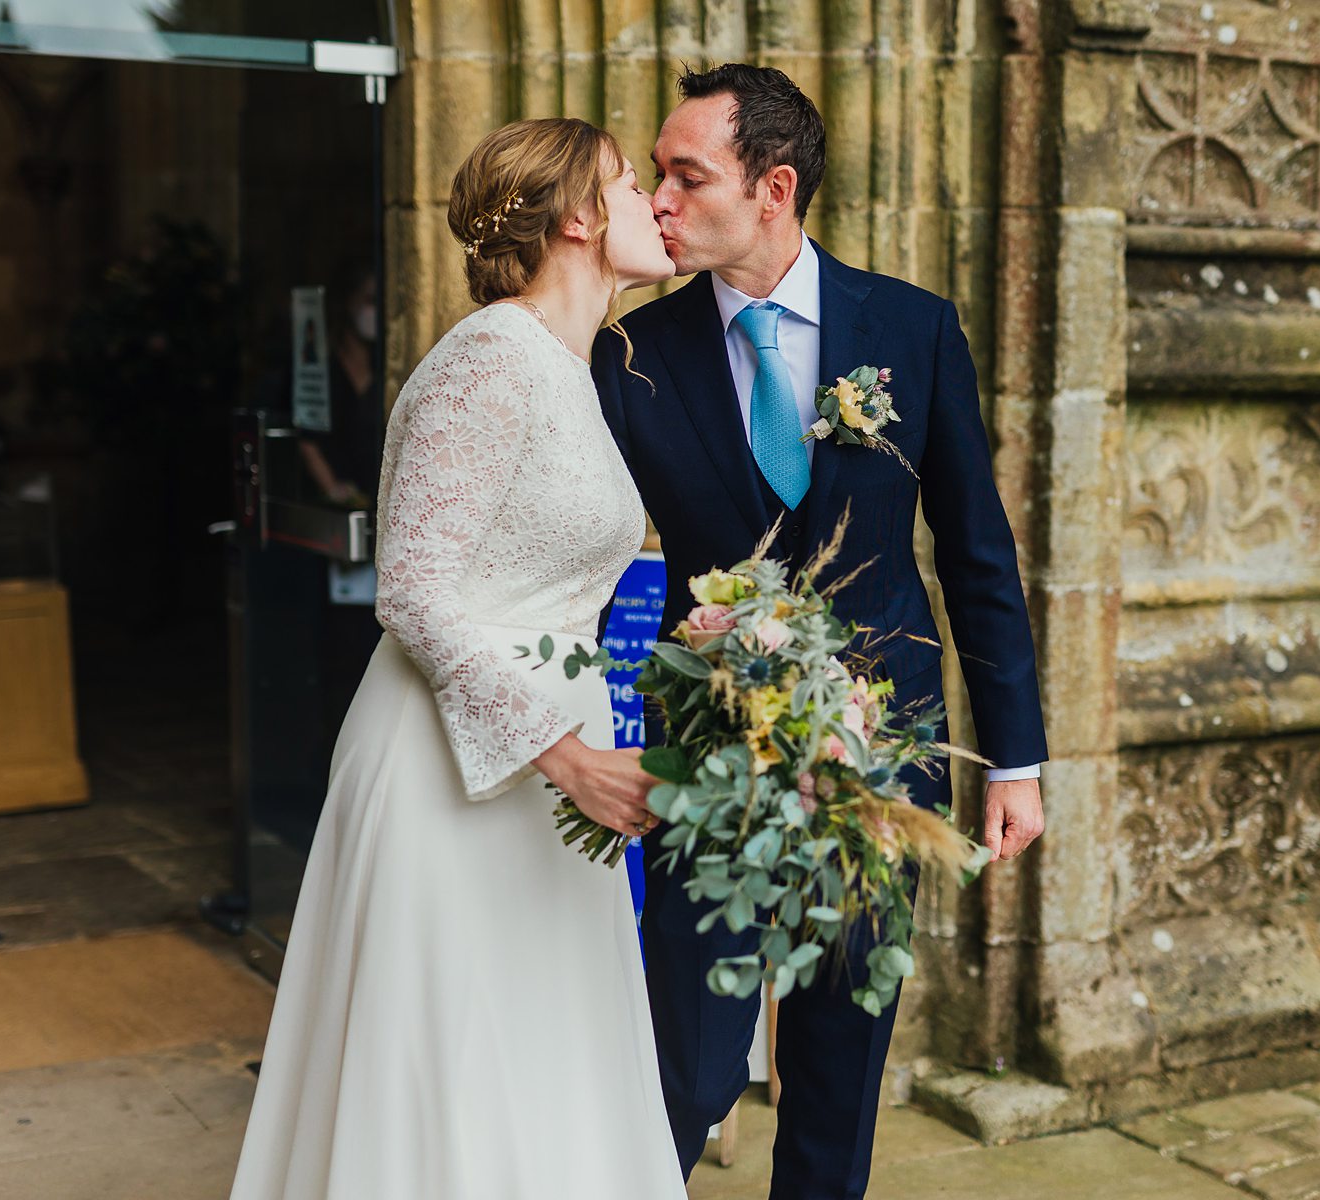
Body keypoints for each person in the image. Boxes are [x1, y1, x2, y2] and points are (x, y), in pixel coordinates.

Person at [591, 65, 1049, 1199]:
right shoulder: (632, 357)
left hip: (880, 753)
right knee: (685, 1067)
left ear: (774, 188)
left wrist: (1017, 757)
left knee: (839, 1076)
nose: (657, 197)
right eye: (656, 172)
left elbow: (978, 553)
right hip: (705, 757)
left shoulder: (914, 329)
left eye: (686, 174)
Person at [227, 118, 684, 1199]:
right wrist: (567, 756)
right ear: (577, 218)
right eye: (630, 183)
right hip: (451, 767)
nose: (653, 202)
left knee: (545, 1050)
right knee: (451, 1065)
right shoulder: (486, 360)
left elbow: (552, 570)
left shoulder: (575, 366)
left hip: (557, 770)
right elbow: (415, 591)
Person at [297, 264, 382, 509]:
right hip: (332, 509)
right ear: (348, 301)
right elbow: (307, 437)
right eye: (369, 300)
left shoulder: (386, 366)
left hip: (375, 502)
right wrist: (333, 490)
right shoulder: (322, 366)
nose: (374, 311)